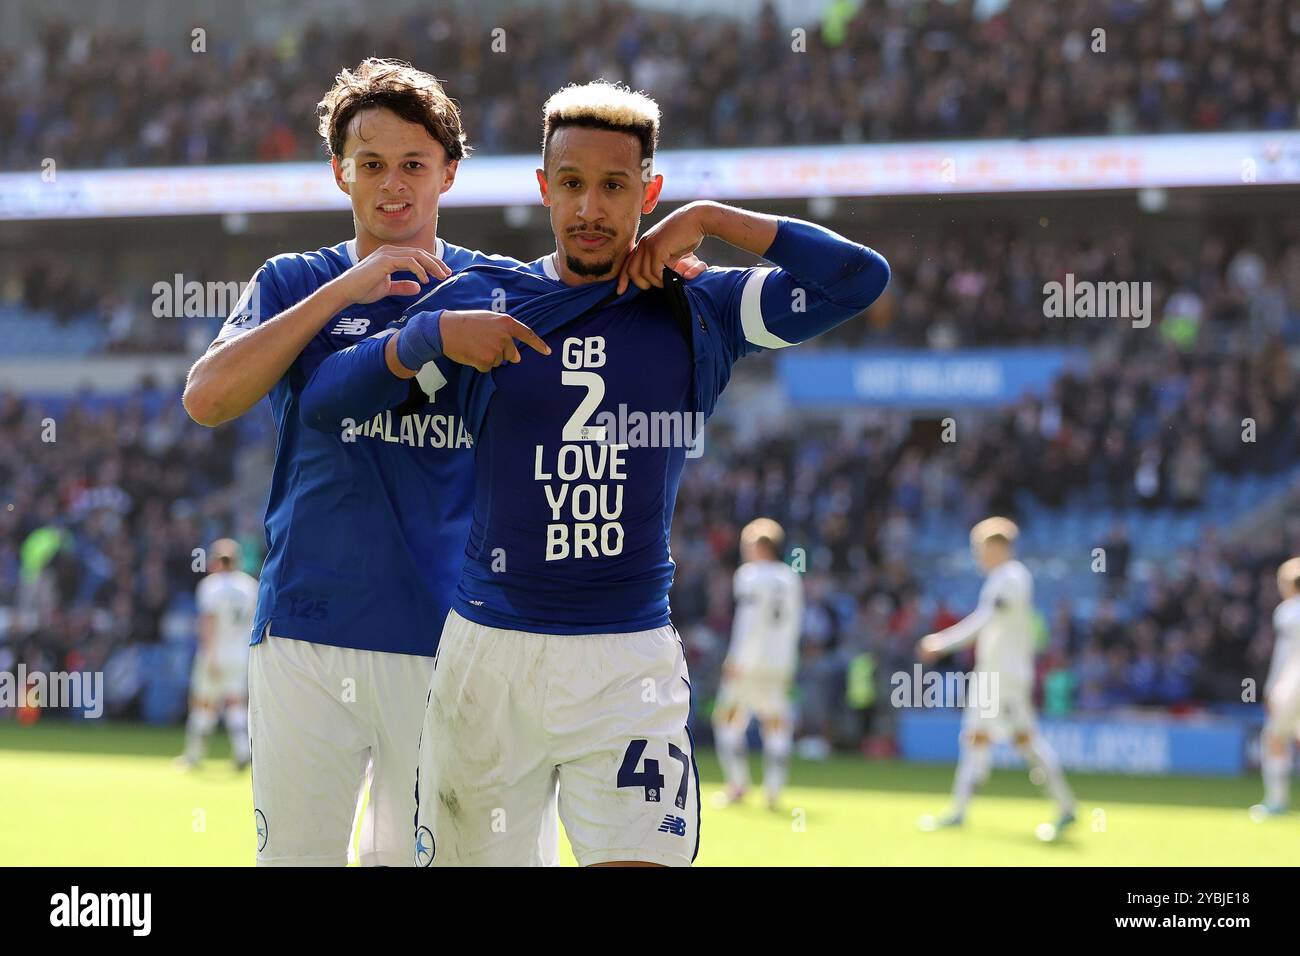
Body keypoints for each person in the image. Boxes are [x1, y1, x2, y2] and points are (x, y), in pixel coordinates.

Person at [301, 80, 890, 866]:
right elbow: (324, 405)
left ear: (649, 191)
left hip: (627, 666)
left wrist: (714, 218)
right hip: (489, 660)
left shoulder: (695, 308)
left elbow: (858, 280)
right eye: (571, 184)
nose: (589, 208)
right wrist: (427, 337)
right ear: (544, 189)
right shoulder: (486, 301)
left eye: (614, 186)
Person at [181, 58, 535, 866]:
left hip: (448, 638)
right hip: (308, 630)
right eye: (371, 165)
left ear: (450, 170)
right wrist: (347, 290)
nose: (393, 185)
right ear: (340, 171)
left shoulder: (497, 286)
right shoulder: (294, 281)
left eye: (414, 164)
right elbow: (206, 398)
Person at [916, 517, 1077, 839]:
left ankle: (1066, 807)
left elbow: (983, 620)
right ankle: (959, 811)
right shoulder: (1000, 579)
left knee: (1024, 741)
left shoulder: (1012, 577)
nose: (978, 555)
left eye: (981, 548)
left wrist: (940, 643)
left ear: (998, 547)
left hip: (1006, 678)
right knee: (975, 736)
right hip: (992, 675)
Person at [713, 518, 803, 810]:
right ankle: (773, 791)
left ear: (759, 546)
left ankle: (738, 785)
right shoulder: (791, 577)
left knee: (726, 719)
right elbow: (794, 624)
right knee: (776, 722)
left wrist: (736, 658)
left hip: (749, 662)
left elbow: (749, 622)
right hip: (780, 663)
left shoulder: (750, 575)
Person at [176, 539, 258, 770]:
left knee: (203, 703)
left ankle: (193, 755)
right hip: (241, 654)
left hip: (216, 652)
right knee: (236, 703)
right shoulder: (250, 586)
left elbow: (208, 622)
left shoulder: (211, 586)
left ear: (215, 561)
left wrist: (209, 655)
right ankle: (243, 752)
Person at [1250, 557, 1300, 819]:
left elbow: (1285, 656)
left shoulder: (1288, 611)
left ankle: (1276, 801)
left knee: (1274, 737)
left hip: (1294, 682)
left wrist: (1271, 688)